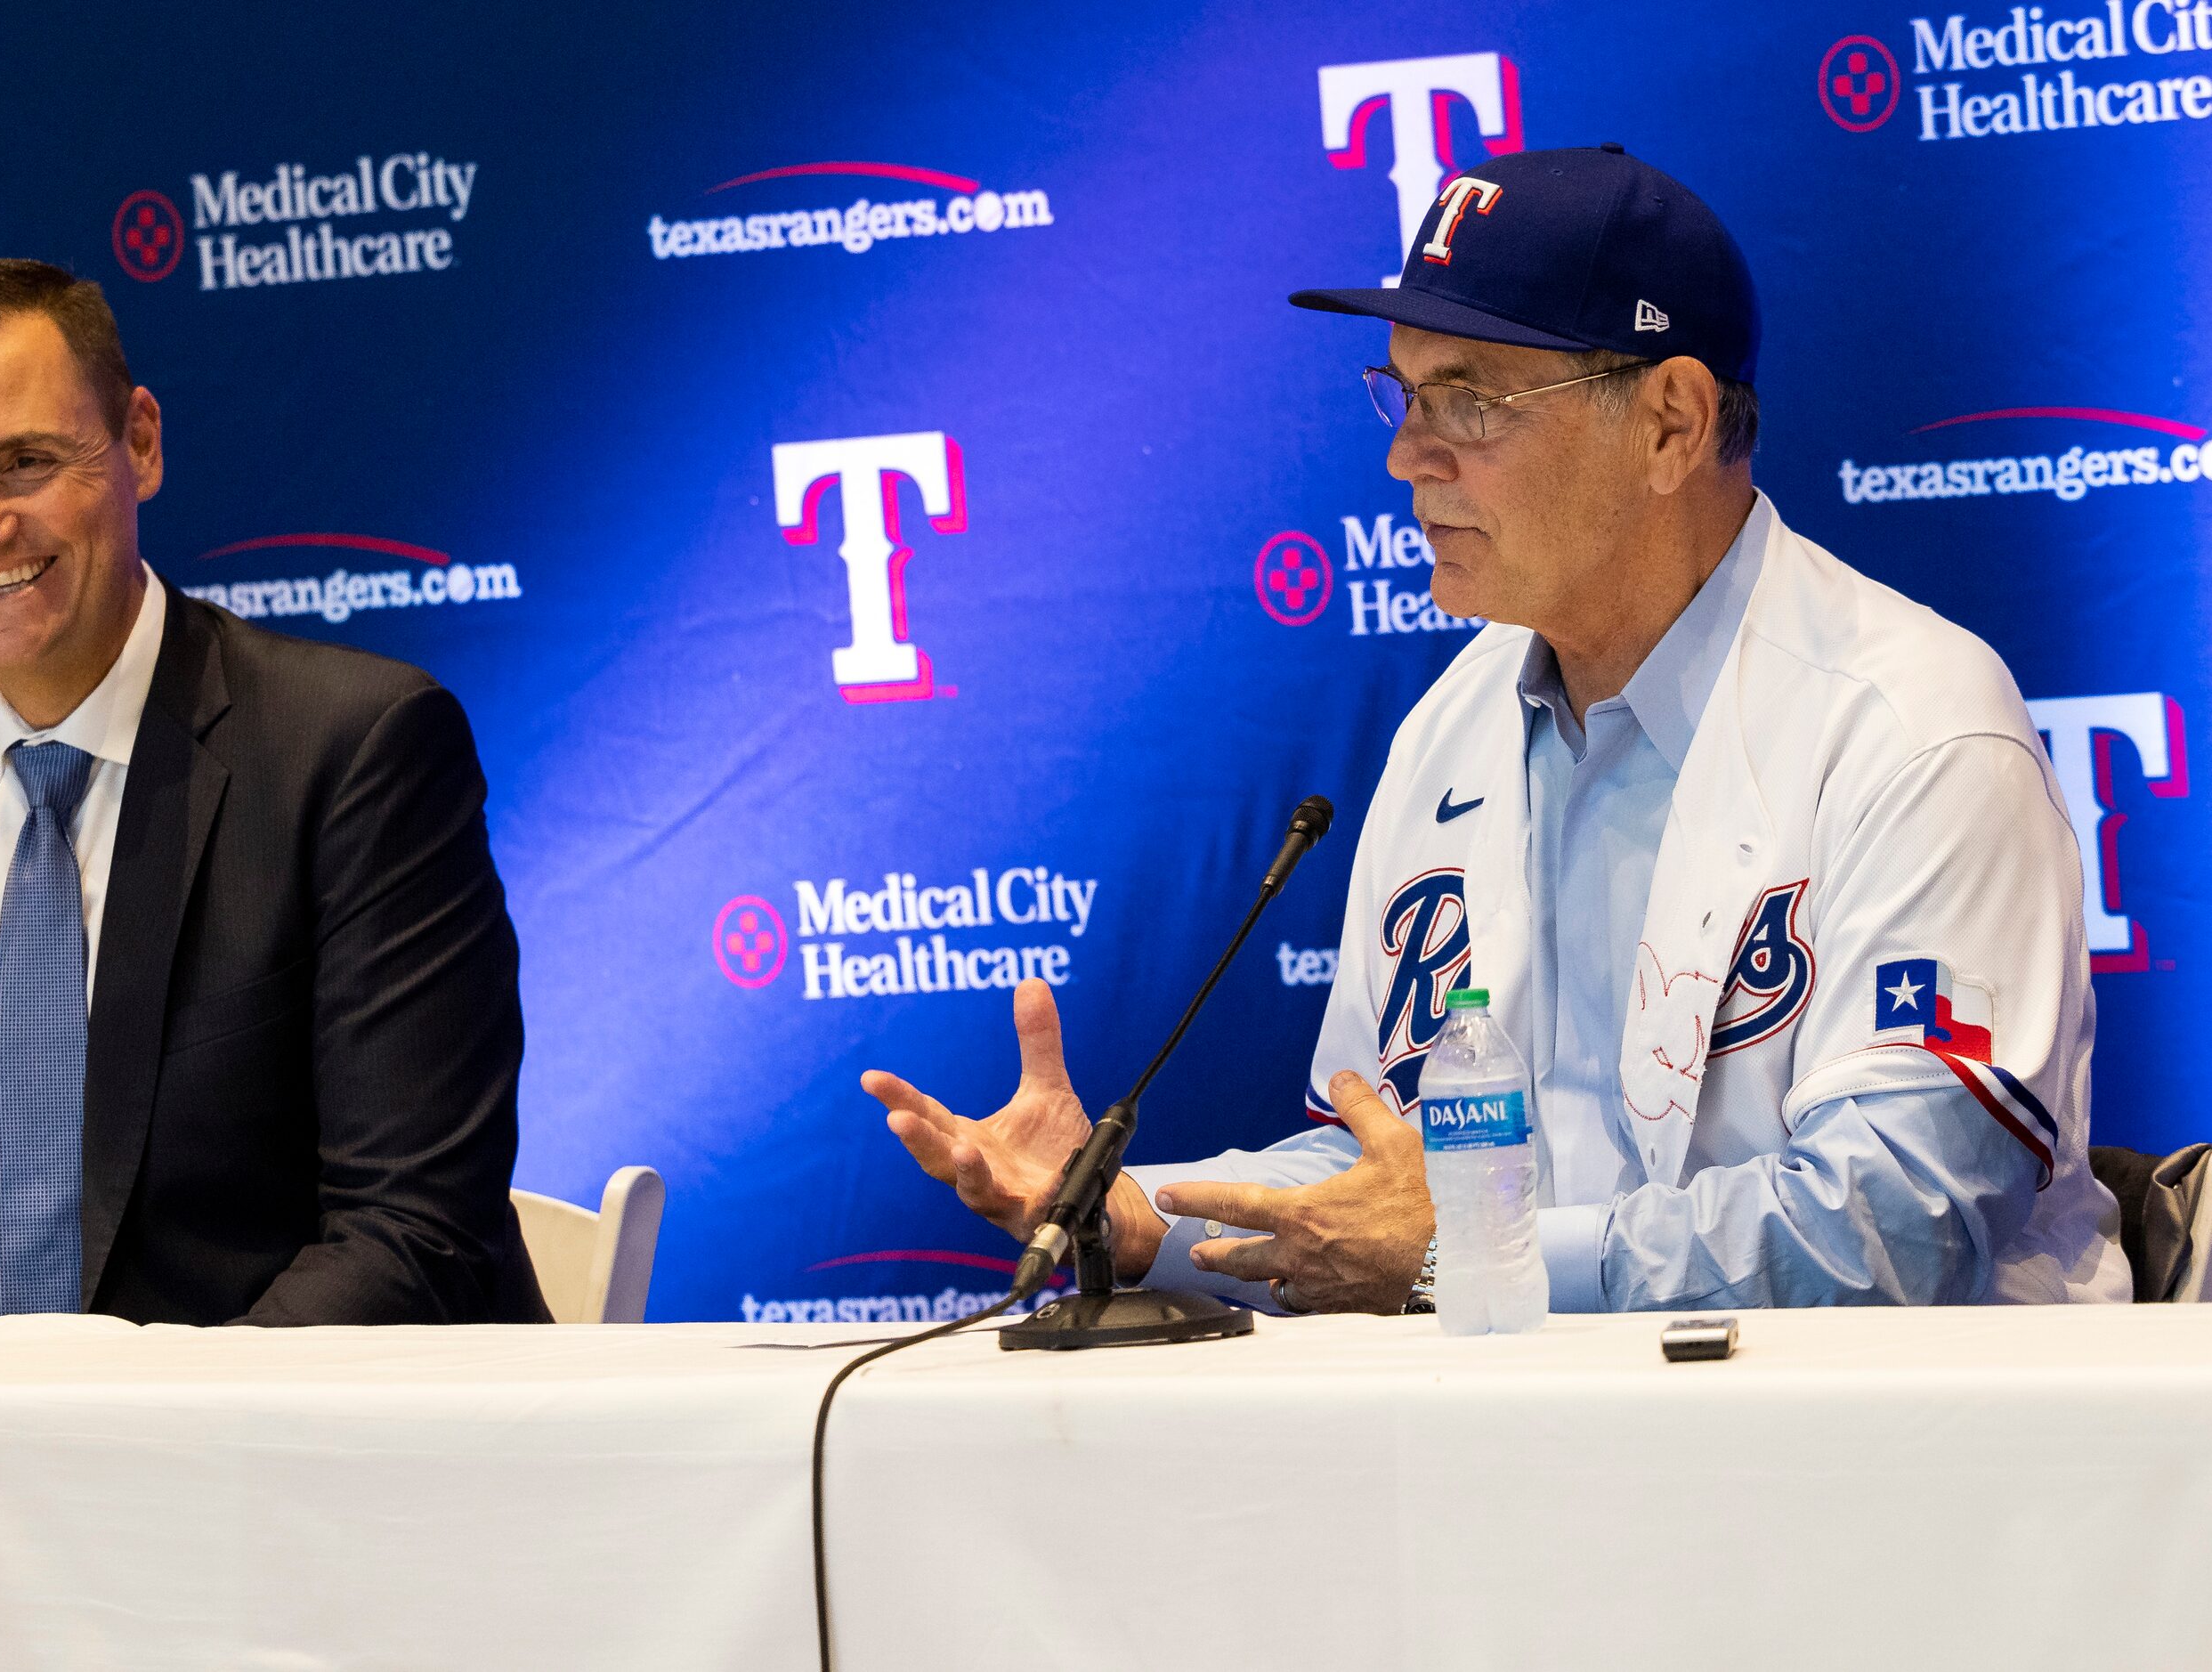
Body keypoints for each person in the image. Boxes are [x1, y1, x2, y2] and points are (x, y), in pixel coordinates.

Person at [868, 146, 2128, 1311]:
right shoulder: (1449, 728)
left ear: (1669, 424)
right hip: (1536, 1465)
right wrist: (1129, 1214)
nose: (1406, 458)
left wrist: (1470, 1253)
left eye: (1465, 399)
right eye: (1402, 395)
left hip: (1897, 1490)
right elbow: (1373, 1164)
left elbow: (1892, 1217)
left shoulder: (1909, 727)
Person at [0, 260, 548, 1328]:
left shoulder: (354, 751)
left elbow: (410, 1232)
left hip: (278, 1461)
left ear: (139, 443)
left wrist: (129, 1456)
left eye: (22, 463)